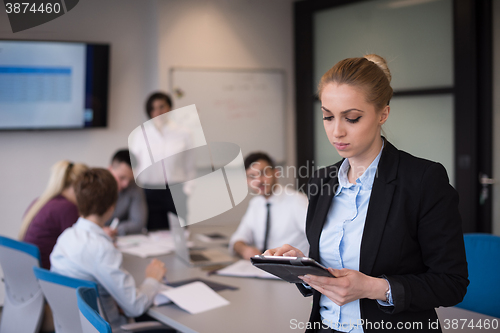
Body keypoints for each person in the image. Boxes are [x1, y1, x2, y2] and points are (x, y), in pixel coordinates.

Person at [265, 55, 468, 333]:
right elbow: (332, 276)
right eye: (327, 116)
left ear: (382, 113)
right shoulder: (322, 180)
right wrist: (303, 268)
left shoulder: (423, 180)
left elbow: (451, 283)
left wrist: (373, 287)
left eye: (352, 118)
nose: (337, 131)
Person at [50, 168, 167, 332]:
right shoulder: (102, 249)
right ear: (112, 207)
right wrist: (152, 279)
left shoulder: (64, 238)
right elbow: (135, 306)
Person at [129, 92, 195, 230]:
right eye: (153, 108)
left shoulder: (184, 133)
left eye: (161, 107)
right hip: (149, 191)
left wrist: (188, 190)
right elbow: (134, 165)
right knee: (154, 233)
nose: (158, 112)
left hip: (176, 190)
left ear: (170, 108)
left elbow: (190, 166)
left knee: (180, 235)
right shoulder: (140, 134)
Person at [229, 152, 309, 260]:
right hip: (262, 270)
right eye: (252, 176)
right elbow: (238, 238)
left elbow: (320, 240)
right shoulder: (255, 204)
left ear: (276, 173)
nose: (259, 181)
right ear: (247, 181)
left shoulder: (298, 201)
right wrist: (245, 250)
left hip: (293, 270)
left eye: (263, 173)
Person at [20, 160, 88, 269]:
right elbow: (79, 251)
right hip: (48, 275)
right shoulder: (67, 208)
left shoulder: (40, 202)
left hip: (31, 272)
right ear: (79, 187)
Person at [104, 149, 148, 237]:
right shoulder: (95, 187)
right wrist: (99, 230)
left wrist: (114, 230)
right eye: (122, 178)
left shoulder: (134, 187)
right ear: (110, 169)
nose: (126, 184)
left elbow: (138, 223)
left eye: (130, 179)